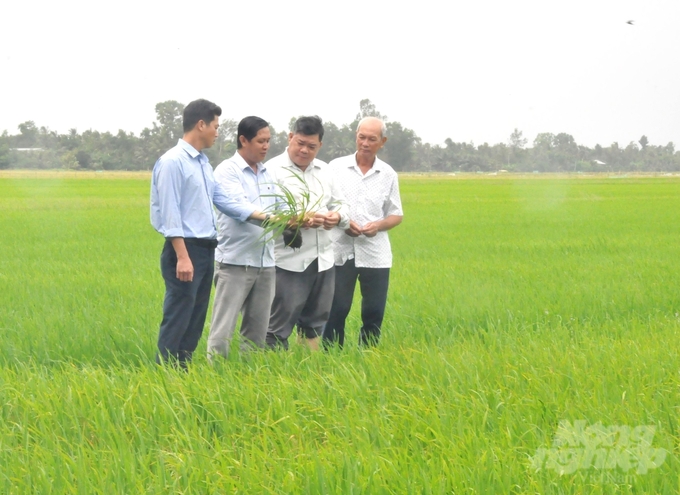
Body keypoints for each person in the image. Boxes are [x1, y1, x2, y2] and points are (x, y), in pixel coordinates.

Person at [150, 99, 269, 368]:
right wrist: (182, 256)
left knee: (195, 317)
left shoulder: (202, 163)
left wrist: (269, 219)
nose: (218, 132)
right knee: (179, 314)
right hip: (185, 249)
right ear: (201, 124)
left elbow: (223, 199)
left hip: (206, 249)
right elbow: (169, 214)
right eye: (215, 126)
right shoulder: (172, 162)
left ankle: (183, 371)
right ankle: (166, 374)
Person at [265, 116, 350, 350]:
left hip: (323, 259)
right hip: (288, 261)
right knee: (276, 326)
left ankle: (306, 373)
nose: (304, 150)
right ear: (290, 137)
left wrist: (337, 217)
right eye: (300, 143)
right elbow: (262, 214)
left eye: (311, 146)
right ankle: (272, 376)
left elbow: (342, 204)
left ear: (320, 146)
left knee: (314, 324)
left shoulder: (325, 171)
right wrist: (297, 220)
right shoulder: (271, 170)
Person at [322, 117, 403, 348]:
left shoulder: (388, 174)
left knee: (374, 311)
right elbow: (324, 204)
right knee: (336, 309)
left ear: (382, 141)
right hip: (339, 250)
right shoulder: (335, 168)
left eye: (372, 139)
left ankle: (368, 356)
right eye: (361, 137)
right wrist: (343, 223)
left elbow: (396, 214)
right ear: (356, 135)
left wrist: (377, 225)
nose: (365, 143)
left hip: (375, 253)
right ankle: (331, 357)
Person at [207, 116, 277, 360]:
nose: (266, 146)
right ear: (243, 140)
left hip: (265, 261)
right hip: (235, 262)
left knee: (257, 330)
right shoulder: (227, 171)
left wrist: (298, 220)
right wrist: (275, 219)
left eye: (268, 141)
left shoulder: (268, 173)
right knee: (223, 328)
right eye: (260, 141)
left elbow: (279, 208)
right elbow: (238, 208)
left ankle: (250, 377)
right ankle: (215, 375)